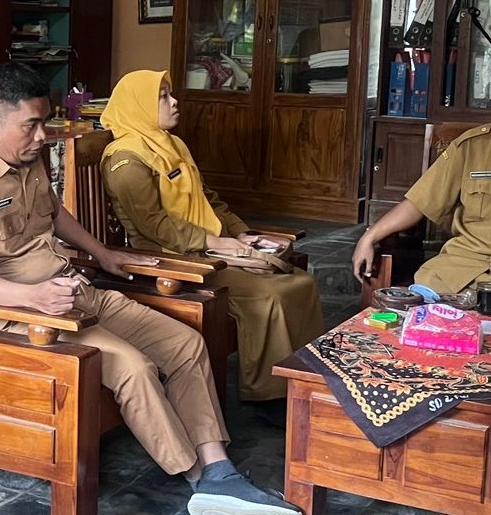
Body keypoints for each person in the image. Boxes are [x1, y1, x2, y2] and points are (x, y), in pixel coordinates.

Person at [0, 62, 302, 515]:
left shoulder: (25, 159)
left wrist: (102, 253)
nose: (42, 136)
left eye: (44, 123)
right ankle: (195, 477)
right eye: (31, 125)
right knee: (134, 368)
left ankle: (218, 468)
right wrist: (33, 297)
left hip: (75, 291)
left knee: (185, 344)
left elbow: (55, 213)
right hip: (22, 313)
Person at [99, 70, 323, 410]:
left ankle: (307, 382)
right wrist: (216, 244)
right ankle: (269, 395)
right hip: (172, 258)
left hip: (207, 248)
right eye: (162, 96)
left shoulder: (171, 144)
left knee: (301, 283)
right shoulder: (126, 160)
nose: (174, 101)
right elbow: (155, 226)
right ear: (139, 106)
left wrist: (240, 233)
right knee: (271, 295)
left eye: (170, 93)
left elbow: (210, 200)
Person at [353, 58, 491, 302]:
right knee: (410, 313)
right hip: (458, 272)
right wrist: (370, 237)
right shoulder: (472, 147)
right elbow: (420, 202)